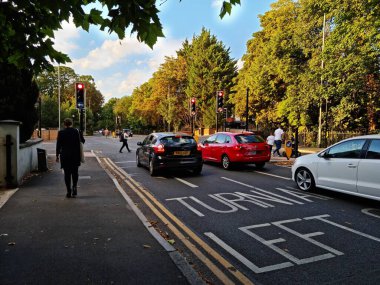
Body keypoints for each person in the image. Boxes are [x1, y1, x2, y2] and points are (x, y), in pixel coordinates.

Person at [56, 118, 85, 198]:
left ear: (64, 124)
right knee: (75, 172)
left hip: (65, 155)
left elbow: (58, 145)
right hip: (75, 155)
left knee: (67, 174)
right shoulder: (76, 131)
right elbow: (83, 141)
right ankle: (74, 187)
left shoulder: (61, 132)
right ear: (71, 123)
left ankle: (68, 191)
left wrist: (57, 156)